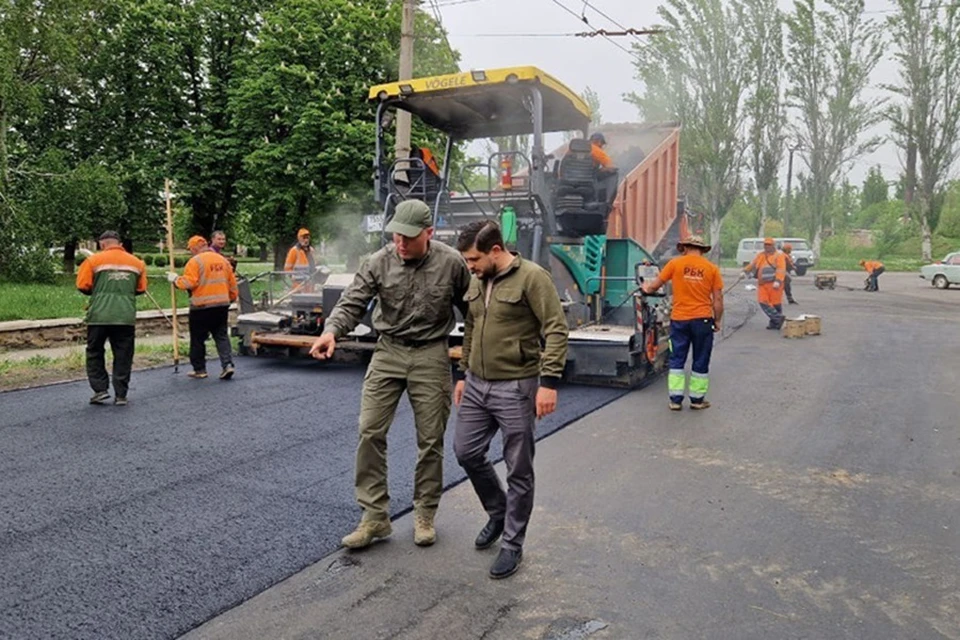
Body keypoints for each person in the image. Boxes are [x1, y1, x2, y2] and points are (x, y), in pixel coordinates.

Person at [309, 200, 471, 550]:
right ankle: (374, 517)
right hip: (388, 351)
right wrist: (332, 332)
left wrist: (469, 364)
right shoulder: (378, 261)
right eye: (396, 235)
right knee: (370, 430)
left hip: (430, 352)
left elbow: (475, 312)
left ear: (429, 234)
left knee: (430, 438)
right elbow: (353, 301)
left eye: (409, 238)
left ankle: (425, 513)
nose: (401, 243)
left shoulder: (451, 263)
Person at [453, 220, 569, 579]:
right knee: (466, 452)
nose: (469, 266)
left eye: (474, 259)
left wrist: (548, 382)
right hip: (475, 384)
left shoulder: (533, 278)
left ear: (496, 251)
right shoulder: (476, 280)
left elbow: (556, 327)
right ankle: (498, 510)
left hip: (516, 386)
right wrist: (461, 373)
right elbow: (471, 326)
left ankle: (511, 544)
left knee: (518, 467)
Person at [642, 235, 723, 411]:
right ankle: (697, 400)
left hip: (679, 319)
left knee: (677, 359)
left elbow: (655, 285)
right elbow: (718, 299)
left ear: (685, 248)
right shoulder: (712, 269)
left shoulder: (674, 264)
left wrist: (646, 288)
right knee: (701, 358)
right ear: (702, 250)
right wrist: (717, 320)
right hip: (702, 320)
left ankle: (675, 400)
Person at [75, 230, 148, 405]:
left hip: (99, 315)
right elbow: (140, 289)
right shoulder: (137, 263)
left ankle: (100, 390)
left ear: (102, 244)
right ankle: (121, 394)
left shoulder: (93, 261)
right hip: (125, 316)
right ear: (120, 243)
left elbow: (83, 285)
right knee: (123, 354)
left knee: (95, 352)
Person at [167, 236, 238, 380]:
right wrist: (231, 298)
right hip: (221, 306)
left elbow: (189, 283)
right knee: (221, 336)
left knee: (198, 339)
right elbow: (232, 284)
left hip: (201, 307)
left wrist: (175, 279)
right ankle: (228, 364)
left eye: (190, 250)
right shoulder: (223, 260)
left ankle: (200, 369)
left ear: (194, 248)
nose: (191, 252)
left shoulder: (195, 261)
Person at [744, 238, 787, 330]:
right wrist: (745, 271)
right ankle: (778, 318)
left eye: (769, 245)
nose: (767, 246)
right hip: (762, 284)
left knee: (775, 304)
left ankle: (775, 323)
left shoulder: (778, 255)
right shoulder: (761, 255)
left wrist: (778, 281)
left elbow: (781, 269)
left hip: (774, 283)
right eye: (765, 245)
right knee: (763, 302)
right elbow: (753, 264)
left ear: (773, 245)